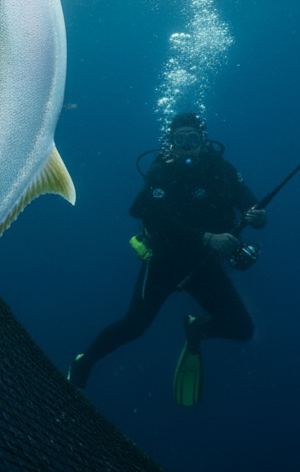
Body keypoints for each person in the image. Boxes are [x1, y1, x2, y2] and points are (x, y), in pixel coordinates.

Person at [67, 112, 266, 404]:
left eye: (192, 139)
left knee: (243, 328)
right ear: (170, 141)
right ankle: (83, 364)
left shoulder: (221, 169)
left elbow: (250, 204)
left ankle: (198, 329)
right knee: (134, 327)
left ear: (203, 140)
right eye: (179, 139)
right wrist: (208, 238)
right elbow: (158, 218)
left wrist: (258, 217)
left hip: (204, 267)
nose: (186, 146)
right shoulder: (161, 171)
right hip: (164, 263)